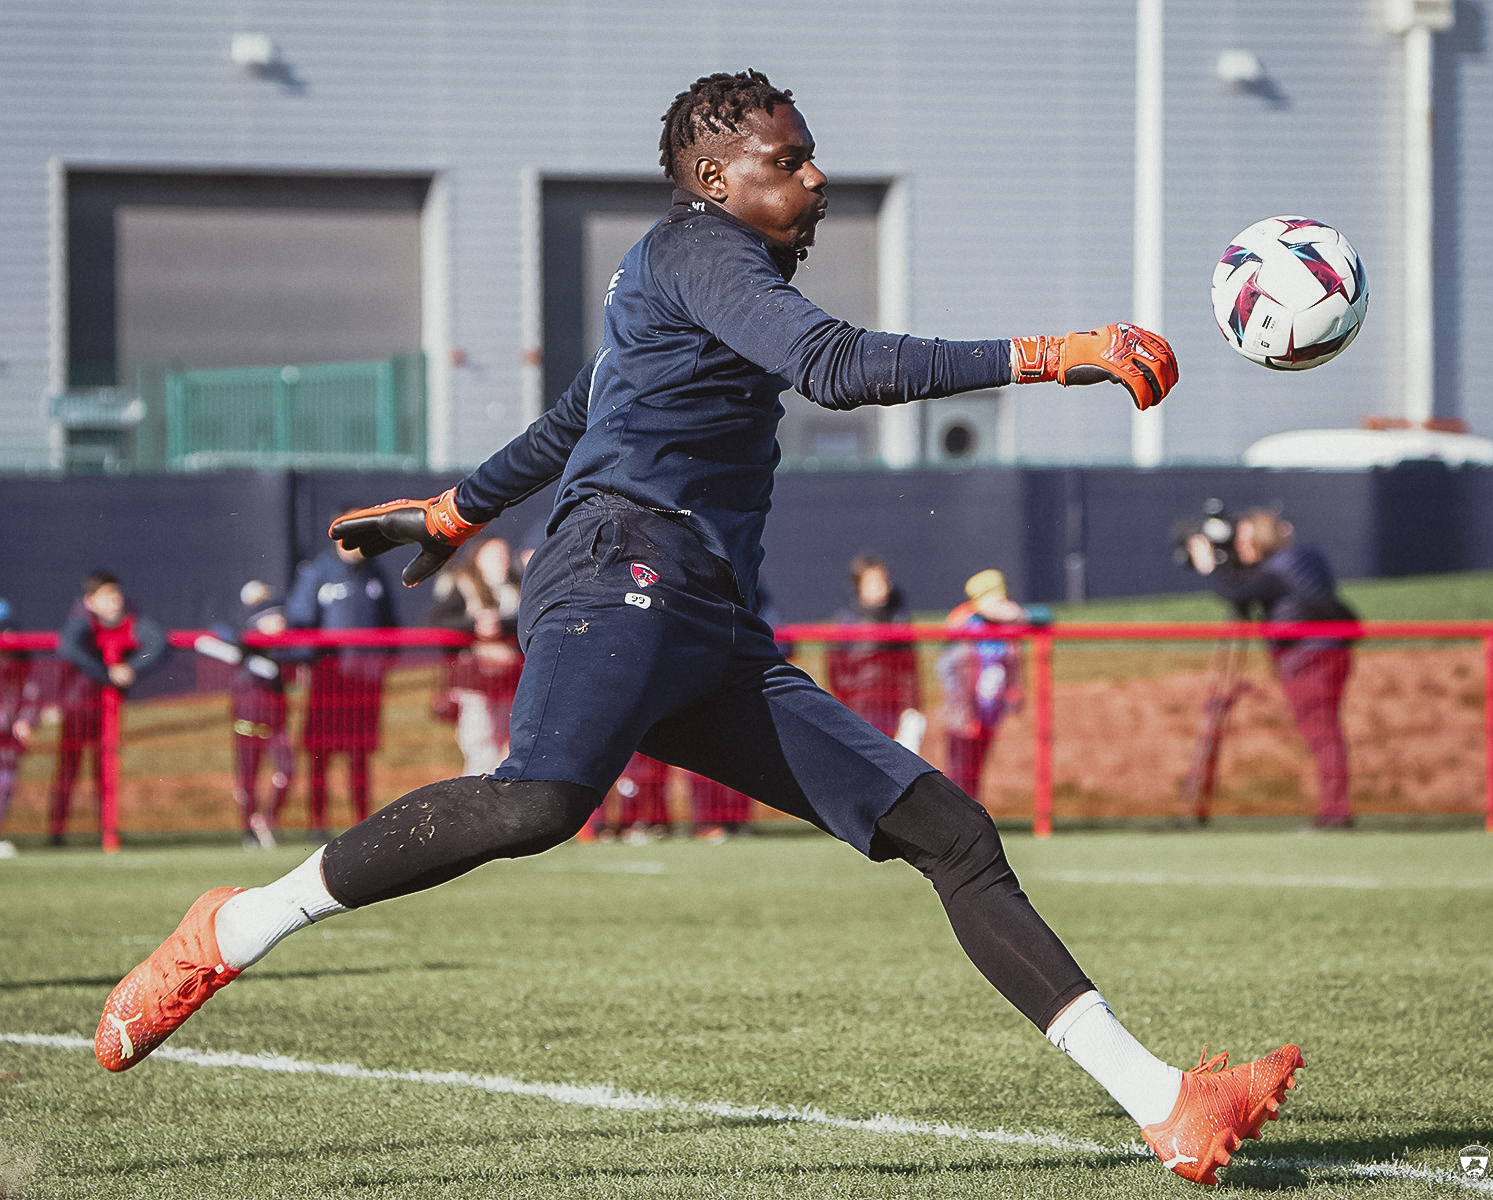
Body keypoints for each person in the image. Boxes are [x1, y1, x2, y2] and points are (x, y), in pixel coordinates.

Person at [98, 71, 1299, 1187]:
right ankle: (233, 926)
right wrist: (1053, 355)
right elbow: (829, 368)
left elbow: (582, 407)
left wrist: (457, 508)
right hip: (621, 564)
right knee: (535, 804)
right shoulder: (699, 248)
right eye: (791, 160)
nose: (816, 179)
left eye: (814, 158)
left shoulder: (673, 272)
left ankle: (1164, 1105)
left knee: (949, 831)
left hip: (706, 615)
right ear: (717, 180)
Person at [1186, 508, 1358, 829]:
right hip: (1329, 652)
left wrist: (1209, 566)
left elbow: (1235, 591)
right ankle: (1335, 809)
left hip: (1308, 659)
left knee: (1322, 734)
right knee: (1326, 733)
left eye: (1243, 540)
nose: (1238, 547)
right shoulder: (1303, 560)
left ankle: (1335, 812)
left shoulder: (1277, 572)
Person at [286, 529, 397, 840]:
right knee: (320, 754)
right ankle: (316, 822)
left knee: (359, 754)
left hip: (364, 682)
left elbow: (391, 624)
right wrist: (306, 661)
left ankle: (361, 822)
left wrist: (382, 663)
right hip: (328, 680)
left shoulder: (375, 573)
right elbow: (300, 619)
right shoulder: (319, 572)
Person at [50, 571, 165, 845]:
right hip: (79, 707)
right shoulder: (82, 625)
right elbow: (69, 647)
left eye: (116, 595)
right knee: (69, 769)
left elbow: (157, 643)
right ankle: (57, 831)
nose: (115, 601)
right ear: (90, 601)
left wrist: (130, 668)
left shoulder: (132, 622)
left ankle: (108, 832)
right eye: (106, 596)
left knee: (107, 768)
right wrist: (107, 673)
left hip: (109, 710)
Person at [428, 536, 523, 776]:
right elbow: (440, 620)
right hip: (475, 680)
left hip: (510, 680)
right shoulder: (462, 584)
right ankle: (476, 803)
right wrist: (476, 625)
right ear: (478, 558)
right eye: (493, 555)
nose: (501, 561)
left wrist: (500, 624)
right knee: (479, 743)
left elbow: (527, 620)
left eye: (503, 555)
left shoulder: (515, 588)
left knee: (508, 744)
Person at [219, 582, 299, 849]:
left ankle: (268, 819)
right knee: (247, 778)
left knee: (286, 770)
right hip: (247, 720)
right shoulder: (242, 643)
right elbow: (219, 634)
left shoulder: (286, 649)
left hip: (276, 722)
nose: (279, 622)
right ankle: (249, 831)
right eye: (271, 617)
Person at [937, 569, 1026, 800]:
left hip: (989, 711)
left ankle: (972, 812)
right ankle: (955, 815)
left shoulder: (1004, 628)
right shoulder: (966, 624)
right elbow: (954, 674)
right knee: (959, 769)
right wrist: (965, 713)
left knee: (976, 768)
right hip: (964, 713)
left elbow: (1021, 618)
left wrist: (1015, 692)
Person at [825, 555, 923, 749]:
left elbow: (908, 668)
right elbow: (836, 667)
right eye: (873, 582)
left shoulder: (898, 619)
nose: (882, 586)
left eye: (884, 580)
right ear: (858, 585)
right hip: (858, 707)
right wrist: (848, 698)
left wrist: (911, 705)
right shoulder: (847, 621)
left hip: (892, 706)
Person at [0, 599, 41, 858]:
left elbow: (30, 698)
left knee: (4, 785)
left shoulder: (21, 668)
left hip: (7, 742)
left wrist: (26, 719)